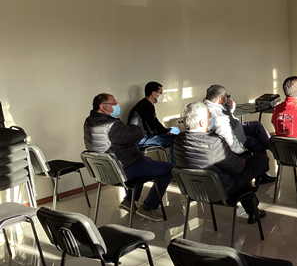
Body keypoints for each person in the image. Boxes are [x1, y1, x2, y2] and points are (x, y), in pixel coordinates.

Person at [83, 93, 174, 222]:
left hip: (104, 171)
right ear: (102, 107)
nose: (117, 106)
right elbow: (138, 133)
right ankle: (148, 208)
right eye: (114, 103)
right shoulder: (112, 125)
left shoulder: (89, 121)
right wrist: (131, 126)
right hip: (122, 169)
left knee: (147, 161)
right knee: (169, 168)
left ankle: (129, 201)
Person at [173, 102, 267, 225]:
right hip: (222, 189)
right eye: (209, 116)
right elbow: (238, 168)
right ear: (201, 123)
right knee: (261, 159)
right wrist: (243, 159)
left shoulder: (178, 139)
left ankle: (253, 210)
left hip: (194, 189)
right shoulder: (214, 143)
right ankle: (253, 210)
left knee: (238, 169)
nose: (211, 119)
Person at [203, 85, 276, 185]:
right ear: (220, 98)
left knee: (257, 126)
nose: (226, 98)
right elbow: (228, 137)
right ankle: (262, 175)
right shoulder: (217, 116)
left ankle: (274, 149)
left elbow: (229, 114)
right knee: (256, 142)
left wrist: (231, 105)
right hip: (234, 135)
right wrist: (240, 149)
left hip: (236, 127)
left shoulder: (212, 104)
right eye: (225, 96)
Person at [128, 81, 179, 164]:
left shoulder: (148, 104)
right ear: (154, 93)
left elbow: (156, 122)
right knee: (176, 139)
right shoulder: (145, 106)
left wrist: (166, 132)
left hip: (148, 134)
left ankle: (172, 158)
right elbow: (152, 129)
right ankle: (174, 166)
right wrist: (167, 134)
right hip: (142, 138)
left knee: (175, 129)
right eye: (160, 93)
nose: (162, 95)